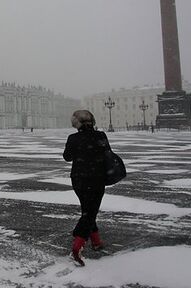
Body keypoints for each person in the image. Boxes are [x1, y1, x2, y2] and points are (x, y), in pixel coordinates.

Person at [62, 110, 111, 266]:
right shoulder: (100, 136)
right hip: (97, 179)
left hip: (78, 180)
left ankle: (96, 241)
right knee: (90, 211)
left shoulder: (73, 138)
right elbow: (107, 153)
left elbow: (67, 157)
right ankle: (77, 244)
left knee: (88, 209)